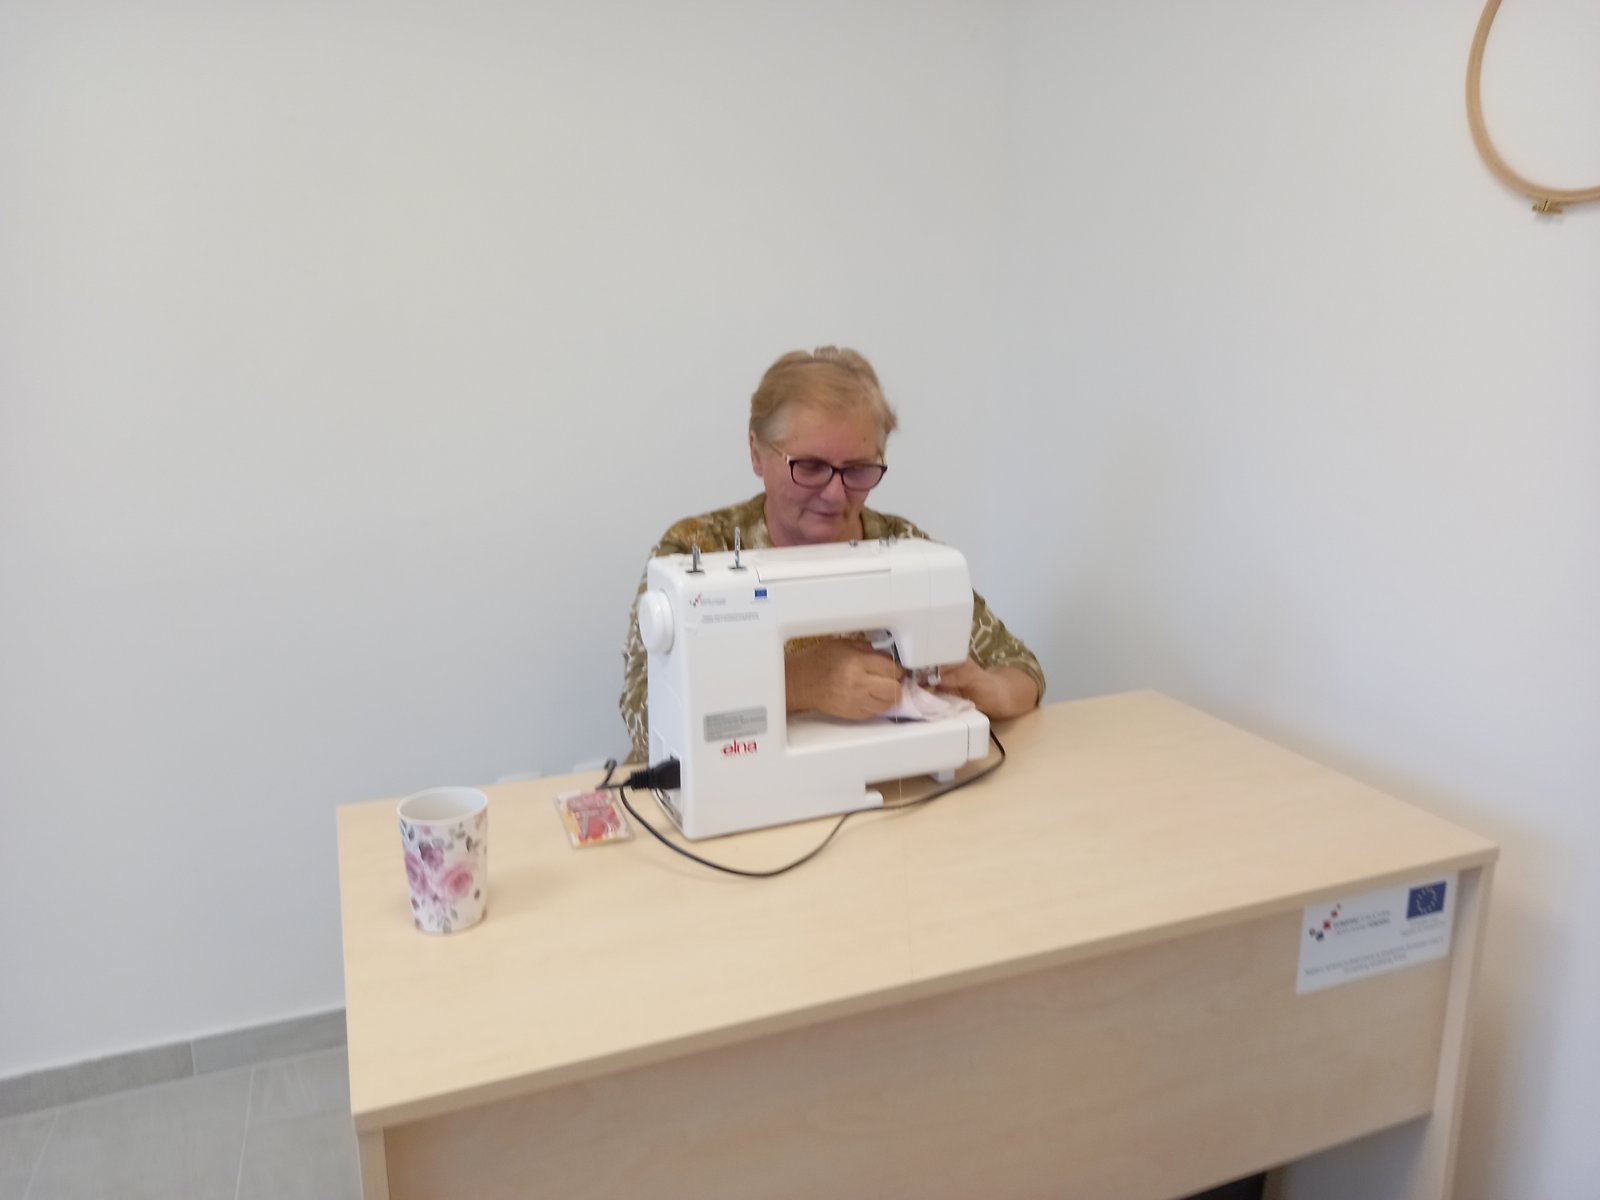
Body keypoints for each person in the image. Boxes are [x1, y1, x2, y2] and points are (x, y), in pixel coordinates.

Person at [619, 347, 1043, 763]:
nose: (836, 494)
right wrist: (798, 682)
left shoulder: (900, 542)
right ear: (756, 453)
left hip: (880, 783)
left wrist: (988, 688)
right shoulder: (695, 549)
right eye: (809, 467)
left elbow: (1023, 669)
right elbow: (643, 716)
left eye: (857, 469)